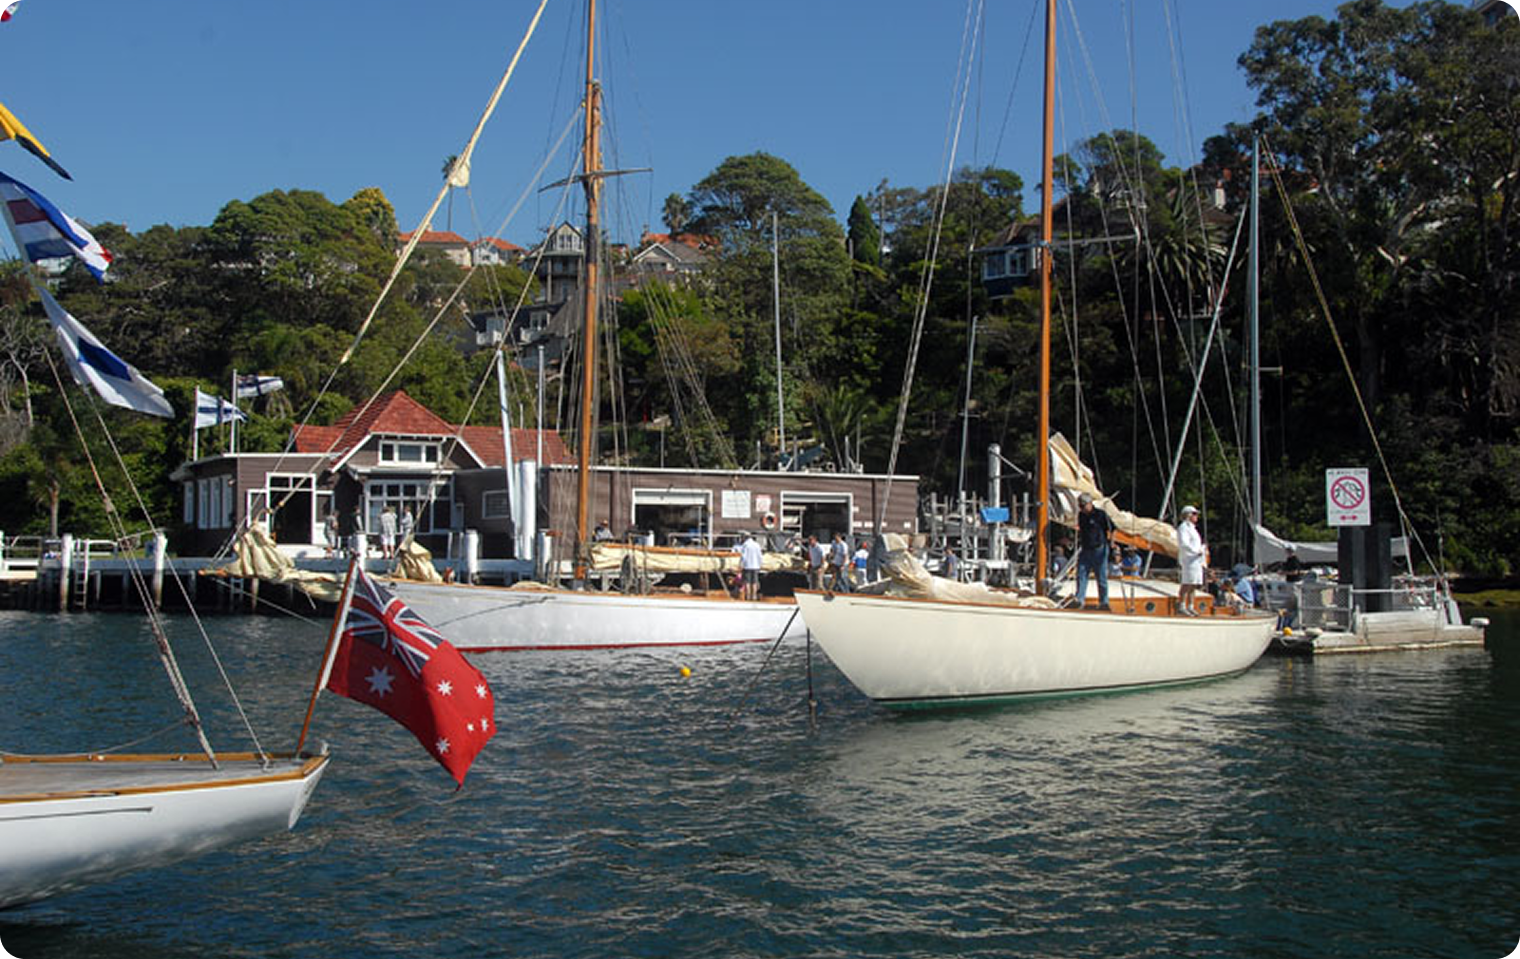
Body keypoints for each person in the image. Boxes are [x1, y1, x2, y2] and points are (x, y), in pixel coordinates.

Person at [1074, 492, 1116, 607]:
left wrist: (1112, 543)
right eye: (1080, 506)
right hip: (1086, 549)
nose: (1082, 508)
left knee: (1101, 576)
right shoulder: (1081, 515)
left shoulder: (1100, 515)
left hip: (1099, 548)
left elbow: (1112, 528)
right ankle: (1079, 599)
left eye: (1083, 506)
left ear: (1090, 504)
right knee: (1081, 574)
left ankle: (1104, 602)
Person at [1176, 504, 1205, 615]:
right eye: (1194, 514)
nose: (1196, 516)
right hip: (1189, 559)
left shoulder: (1193, 529)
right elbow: (1184, 543)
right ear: (1188, 515)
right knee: (1187, 582)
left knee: (1194, 583)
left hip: (1196, 560)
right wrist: (1195, 551)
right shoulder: (1183, 527)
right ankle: (1182, 605)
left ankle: (1191, 605)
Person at [739, 530, 764, 601]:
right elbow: (760, 556)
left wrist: (741, 564)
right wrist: (760, 564)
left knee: (747, 582)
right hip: (756, 566)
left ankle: (748, 596)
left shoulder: (745, 545)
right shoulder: (757, 545)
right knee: (754, 582)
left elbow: (744, 556)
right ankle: (754, 596)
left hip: (747, 566)